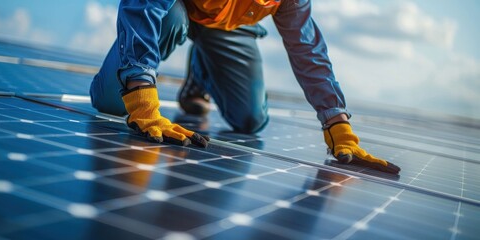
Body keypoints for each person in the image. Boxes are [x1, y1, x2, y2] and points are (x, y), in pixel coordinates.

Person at [89, 0, 401, 174]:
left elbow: (308, 50)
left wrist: (338, 126)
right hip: (173, 7)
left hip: (228, 26)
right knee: (111, 102)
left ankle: (200, 72)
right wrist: (141, 97)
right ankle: (140, 72)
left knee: (250, 119)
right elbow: (142, 4)